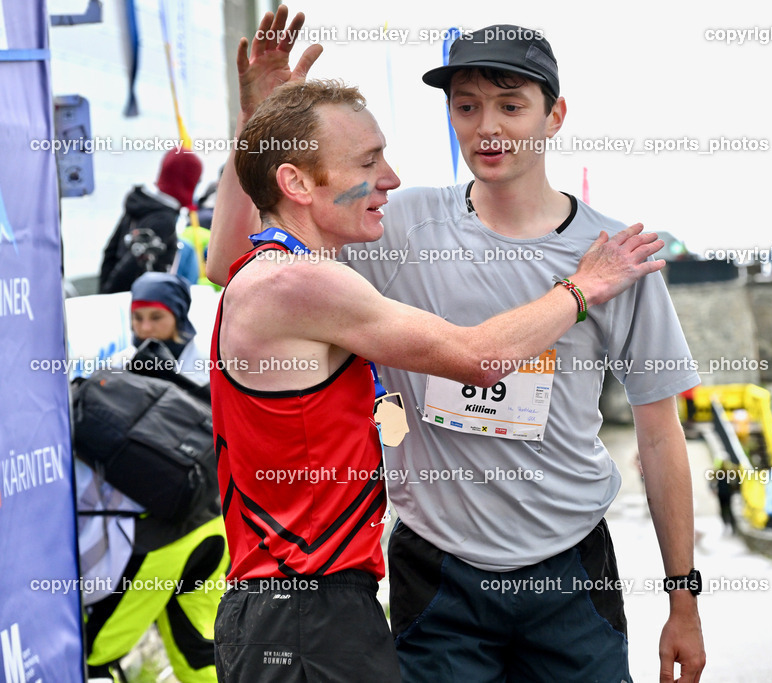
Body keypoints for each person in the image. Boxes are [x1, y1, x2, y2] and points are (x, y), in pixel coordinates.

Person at [208, 8, 705, 682]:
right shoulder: (394, 224)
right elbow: (240, 260)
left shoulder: (615, 254)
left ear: (554, 115)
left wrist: (684, 597)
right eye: (466, 106)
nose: (488, 126)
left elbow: (659, 432)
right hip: (438, 572)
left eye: (511, 105)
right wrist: (264, 135)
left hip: (569, 569)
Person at [81, 272, 226, 682]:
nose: (144, 329)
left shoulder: (210, 367)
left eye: (155, 318)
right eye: (137, 319)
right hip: (206, 527)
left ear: (178, 317)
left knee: (92, 656)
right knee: (200, 653)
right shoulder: (122, 368)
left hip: (167, 538)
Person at [99, 149, 203, 293]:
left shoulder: (140, 205)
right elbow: (132, 266)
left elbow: (110, 252)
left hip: (125, 301)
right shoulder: (164, 219)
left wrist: (105, 293)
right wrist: (110, 295)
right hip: (141, 301)